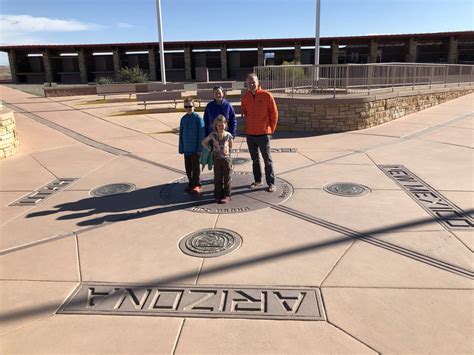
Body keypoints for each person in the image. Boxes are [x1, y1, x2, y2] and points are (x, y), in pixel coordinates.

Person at [241, 73, 278, 192]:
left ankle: (271, 183)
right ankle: (257, 180)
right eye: (249, 82)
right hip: (250, 134)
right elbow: (245, 113)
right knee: (255, 159)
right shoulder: (245, 98)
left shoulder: (267, 95)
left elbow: (274, 114)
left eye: (253, 82)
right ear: (247, 83)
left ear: (258, 82)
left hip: (263, 133)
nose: (251, 84)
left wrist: (270, 129)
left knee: (267, 159)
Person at [202, 115, 234, 204]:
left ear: (225, 125)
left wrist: (228, 152)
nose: (220, 127)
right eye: (219, 125)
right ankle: (218, 194)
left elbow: (231, 145)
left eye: (222, 125)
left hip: (226, 159)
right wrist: (210, 149)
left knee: (227, 177)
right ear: (216, 126)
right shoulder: (213, 135)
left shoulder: (228, 135)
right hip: (216, 159)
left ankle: (226, 195)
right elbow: (204, 142)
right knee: (217, 177)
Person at [179, 97, 205, 194]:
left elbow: (201, 134)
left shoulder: (198, 118)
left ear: (194, 106)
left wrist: (200, 148)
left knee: (195, 168)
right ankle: (190, 183)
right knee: (188, 168)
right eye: (186, 106)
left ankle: (197, 184)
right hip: (186, 148)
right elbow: (181, 134)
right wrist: (181, 147)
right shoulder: (183, 119)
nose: (188, 108)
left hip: (195, 149)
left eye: (190, 106)